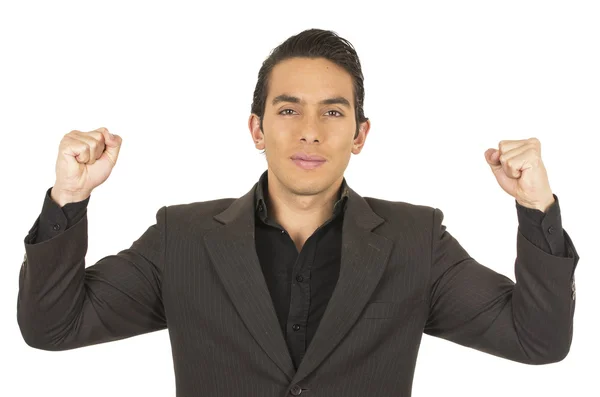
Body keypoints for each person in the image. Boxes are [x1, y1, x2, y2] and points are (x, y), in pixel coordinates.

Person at [18, 28, 579, 397]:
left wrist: (536, 209)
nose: (310, 131)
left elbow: (538, 341)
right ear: (257, 128)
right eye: (288, 109)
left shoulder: (416, 241)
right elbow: (53, 326)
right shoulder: (181, 239)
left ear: (360, 134)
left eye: (332, 111)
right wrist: (69, 199)